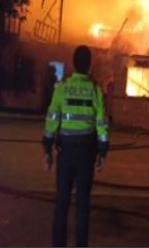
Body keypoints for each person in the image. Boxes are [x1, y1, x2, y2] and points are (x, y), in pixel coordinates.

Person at [43, 45, 109, 247]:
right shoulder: (95, 90)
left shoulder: (62, 88)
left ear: (73, 63)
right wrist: (103, 152)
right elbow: (102, 124)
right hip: (86, 154)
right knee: (82, 205)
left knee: (62, 203)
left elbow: (52, 118)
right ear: (89, 65)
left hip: (65, 152)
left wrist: (47, 150)